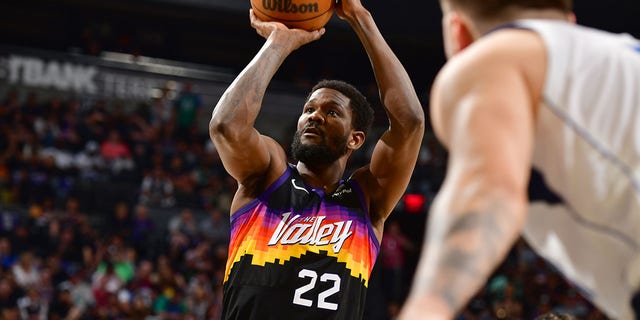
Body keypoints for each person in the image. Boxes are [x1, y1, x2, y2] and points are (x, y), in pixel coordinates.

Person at [398, 0, 640, 319]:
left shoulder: (494, 59)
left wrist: (425, 310)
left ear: (459, 34)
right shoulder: (622, 55)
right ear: (569, 20)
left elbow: (488, 191)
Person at [208, 0, 425, 318]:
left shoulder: (367, 198)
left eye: (331, 112)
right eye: (308, 109)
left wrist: (360, 17)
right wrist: (278, 44)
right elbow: (226, 126)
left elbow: (411, 123)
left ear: (355, 138)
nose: (314, 117)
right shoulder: (268, 176)